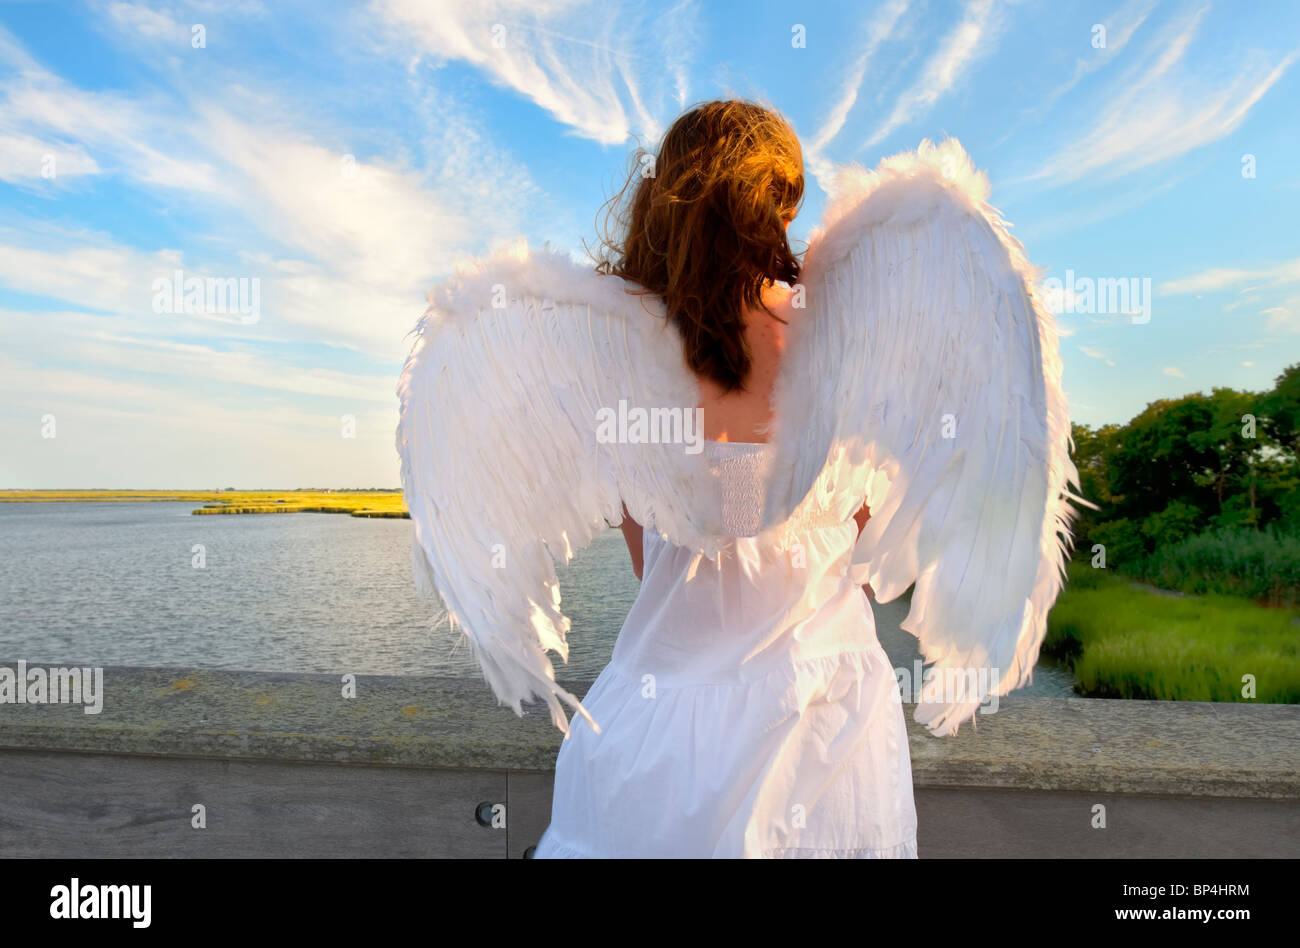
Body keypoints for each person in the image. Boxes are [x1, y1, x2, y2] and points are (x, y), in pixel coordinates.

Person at [396, 99, 1082, 859]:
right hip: (827, 723)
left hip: (656, 727)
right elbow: (859, 529)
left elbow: (650, 547)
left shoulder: (618, 357)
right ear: (779, 205)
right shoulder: (841, 337)